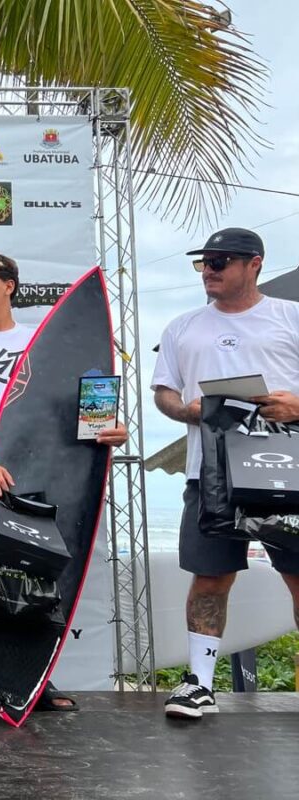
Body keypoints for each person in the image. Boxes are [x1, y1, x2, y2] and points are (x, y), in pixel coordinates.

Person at [0, 252, 127, 712]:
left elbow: (77, 407)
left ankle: (33, 678)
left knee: (37, 582)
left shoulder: (42, 341)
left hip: (33, 478)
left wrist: (110, 429)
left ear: (9, 286)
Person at [152, 227, 299, 719]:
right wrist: (187, 410)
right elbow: (164, 393)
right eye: (203, 263)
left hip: (285, 473)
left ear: (254, 263)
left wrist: (295, 405)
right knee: (210, 577)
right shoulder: (182, 327)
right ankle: (198, 685)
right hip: (211, 473)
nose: (209, 270)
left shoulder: (290, 317)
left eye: (221, 261)